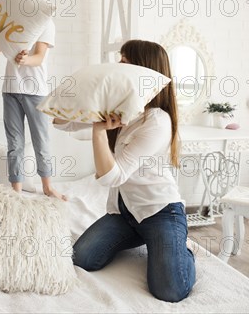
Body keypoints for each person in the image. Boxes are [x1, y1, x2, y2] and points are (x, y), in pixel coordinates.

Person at [54, 40, 196, 302]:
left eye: (125, 62)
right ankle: (147, 238)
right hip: (126, 213)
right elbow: (62, 123)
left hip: (160, 212)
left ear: (143, 71)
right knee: (83, 258)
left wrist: (98, 131)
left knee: (170, 290)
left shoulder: (157, 121)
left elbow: (112, 176)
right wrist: (83, 93)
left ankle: (181, 247)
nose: (118, 67)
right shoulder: (118, 110)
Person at [0, 0, 66, 201]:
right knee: (15, 143)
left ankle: (47, 186)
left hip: (35, 91)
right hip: (10, 89)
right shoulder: (9, 19)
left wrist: (25, 58)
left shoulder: (45, 22)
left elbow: (39, 57)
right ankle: (16, 190)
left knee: (41, 141)